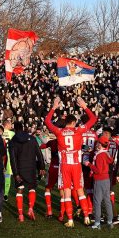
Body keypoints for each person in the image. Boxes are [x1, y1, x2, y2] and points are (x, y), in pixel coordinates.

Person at [44, 96, 97, 228]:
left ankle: (70, 220)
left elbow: (47, 121)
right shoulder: (79, 130)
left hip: (64, 166)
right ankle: (86, 217)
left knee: (67, 193)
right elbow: (94, 119)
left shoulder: (59, 131)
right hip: (76, 166)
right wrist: (84, 106)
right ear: (73, 123)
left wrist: (54, 107)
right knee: (80, 191)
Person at [9, 122, 46, 222]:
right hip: (31, 167)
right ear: (23, 128)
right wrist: (42, 167)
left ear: (15, 130)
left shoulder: (13, 141)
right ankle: (30, 209)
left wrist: (16, 173)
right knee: (32, 188)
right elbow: (39, 154)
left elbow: (12, 159)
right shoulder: (32, 139)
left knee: (20, 190)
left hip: (19, 168)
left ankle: (20, 215)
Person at [84, 136, 114, 229]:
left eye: (98, 143)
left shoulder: (100, 155)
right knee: (107, 201)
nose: (96, 144)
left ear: (100, 145)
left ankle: (97, 223)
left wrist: (89, 164)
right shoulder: (106, 153)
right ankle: (110, 221)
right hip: (106, 179)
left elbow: (98, 170)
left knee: (97, 202)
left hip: (99, 179)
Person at [102, 127, 119, 225]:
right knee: (108, 192)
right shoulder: (116, 143)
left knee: (105, 193)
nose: (103, 135)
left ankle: (114, 216)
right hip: (111, 169)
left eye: (105, 133)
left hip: (106, 169)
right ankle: (109, 215)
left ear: (108, 134)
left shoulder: (106, 143)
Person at [39, 138, 59, 218]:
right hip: (64, 169)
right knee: (64, 191)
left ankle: (49, 210)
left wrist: (35, 146)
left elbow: (43, 146)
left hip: (53, 168)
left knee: (48, 188)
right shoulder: (70, 139)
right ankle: (62, 214)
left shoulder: (53, 141)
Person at [2, 120, 15, 201]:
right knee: (7, 176)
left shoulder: (0, 132)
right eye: (10, 124)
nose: (11, 126)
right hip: (9, 157)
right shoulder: (12, 134)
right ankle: (5, 194)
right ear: (7, 125)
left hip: (0, 156)